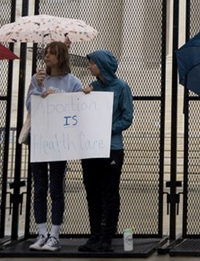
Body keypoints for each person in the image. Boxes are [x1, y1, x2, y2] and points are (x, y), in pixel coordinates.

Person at [26, 42, 83, 252]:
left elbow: (79, 108)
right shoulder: (37, 79)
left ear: (61, 57)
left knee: (56, 189)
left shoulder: (72, 82)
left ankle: (55, 235)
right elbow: (29, 106)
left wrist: (85, 94)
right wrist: (39, 89)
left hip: (60, 142)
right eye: (46, 53)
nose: (47, 57)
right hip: (39, 139)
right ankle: (41, 233)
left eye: (52, 53)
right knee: (39, 188)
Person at [78, 50, 133, 253]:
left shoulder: (122, 87)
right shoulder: (92, 87)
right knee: (92, 193)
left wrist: (106, 129)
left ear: (103, 65)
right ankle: (94, 235)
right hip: (91, 147)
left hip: (112, 148)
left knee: (110, 193)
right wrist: (83, 98)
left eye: (93, 63)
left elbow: (127, 118)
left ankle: (107, 237)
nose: (89, 66)